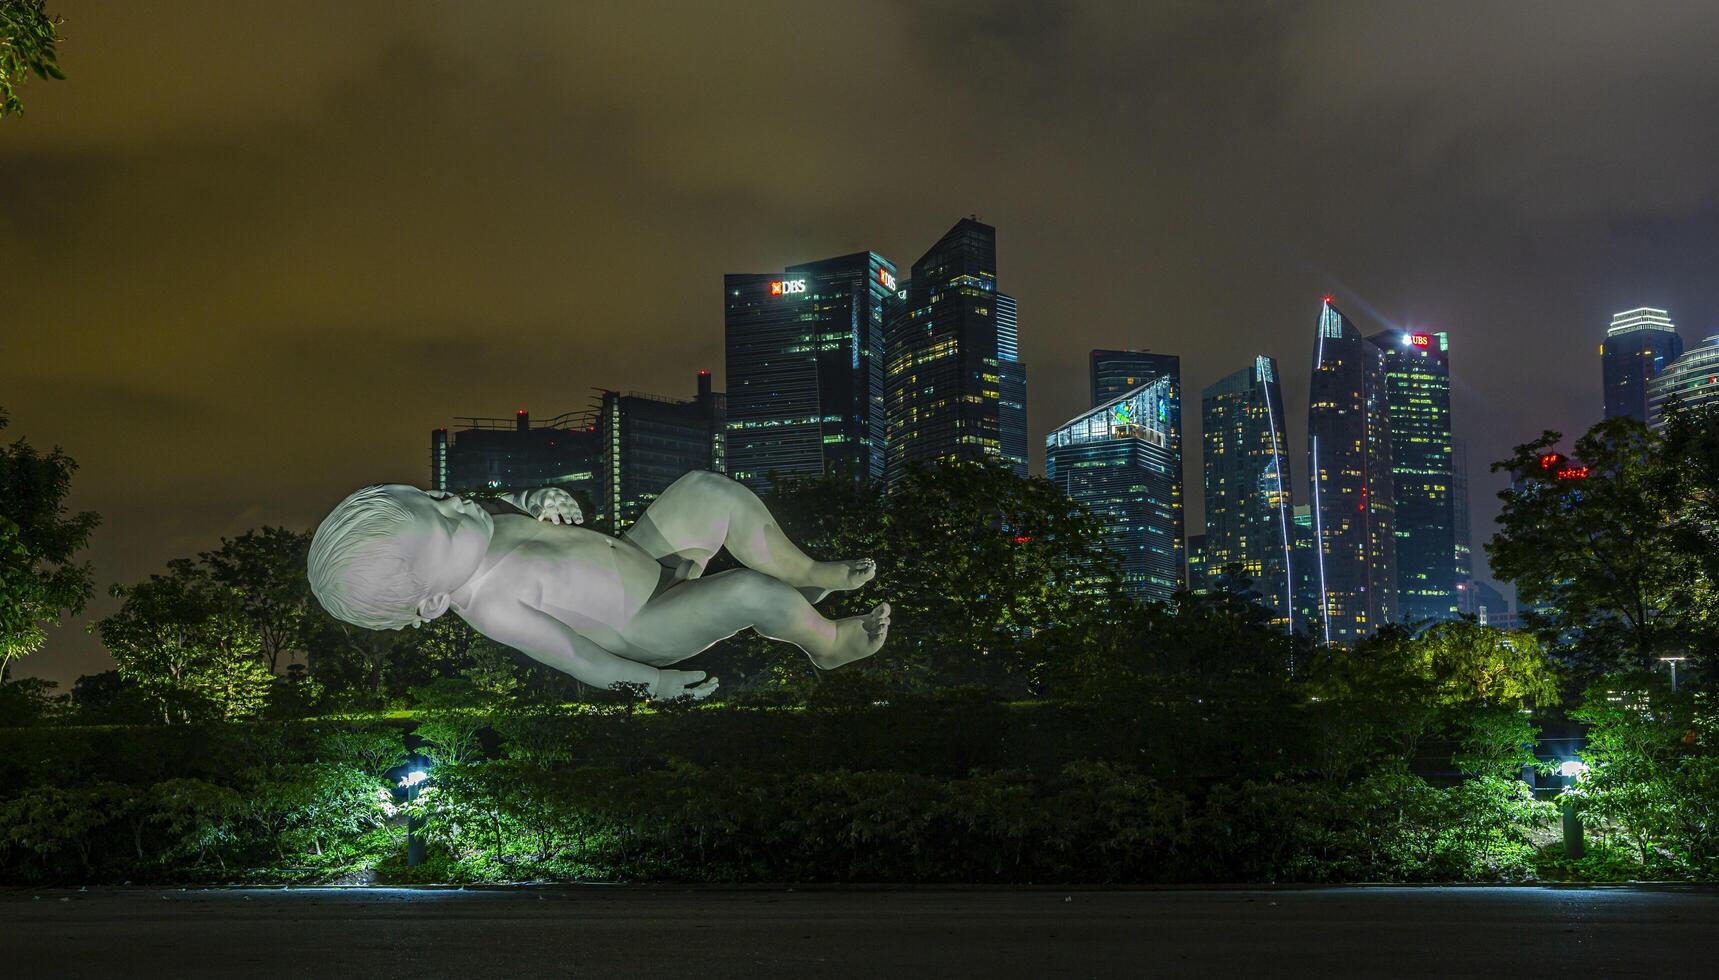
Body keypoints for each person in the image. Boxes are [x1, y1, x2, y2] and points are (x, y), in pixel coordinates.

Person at [307, 470, 887, 699]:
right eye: (447, 519)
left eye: (435, 495)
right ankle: (828, 645)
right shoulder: (492, 605)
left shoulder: (481, 516)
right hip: (647, 624)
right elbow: (580, 659)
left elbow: (515, 503)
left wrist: (539, 499)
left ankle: (806, 576)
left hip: (644, 557)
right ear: (434, 600)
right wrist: (653, 683)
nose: (454, 501)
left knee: (709, 492)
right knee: (746, 592)